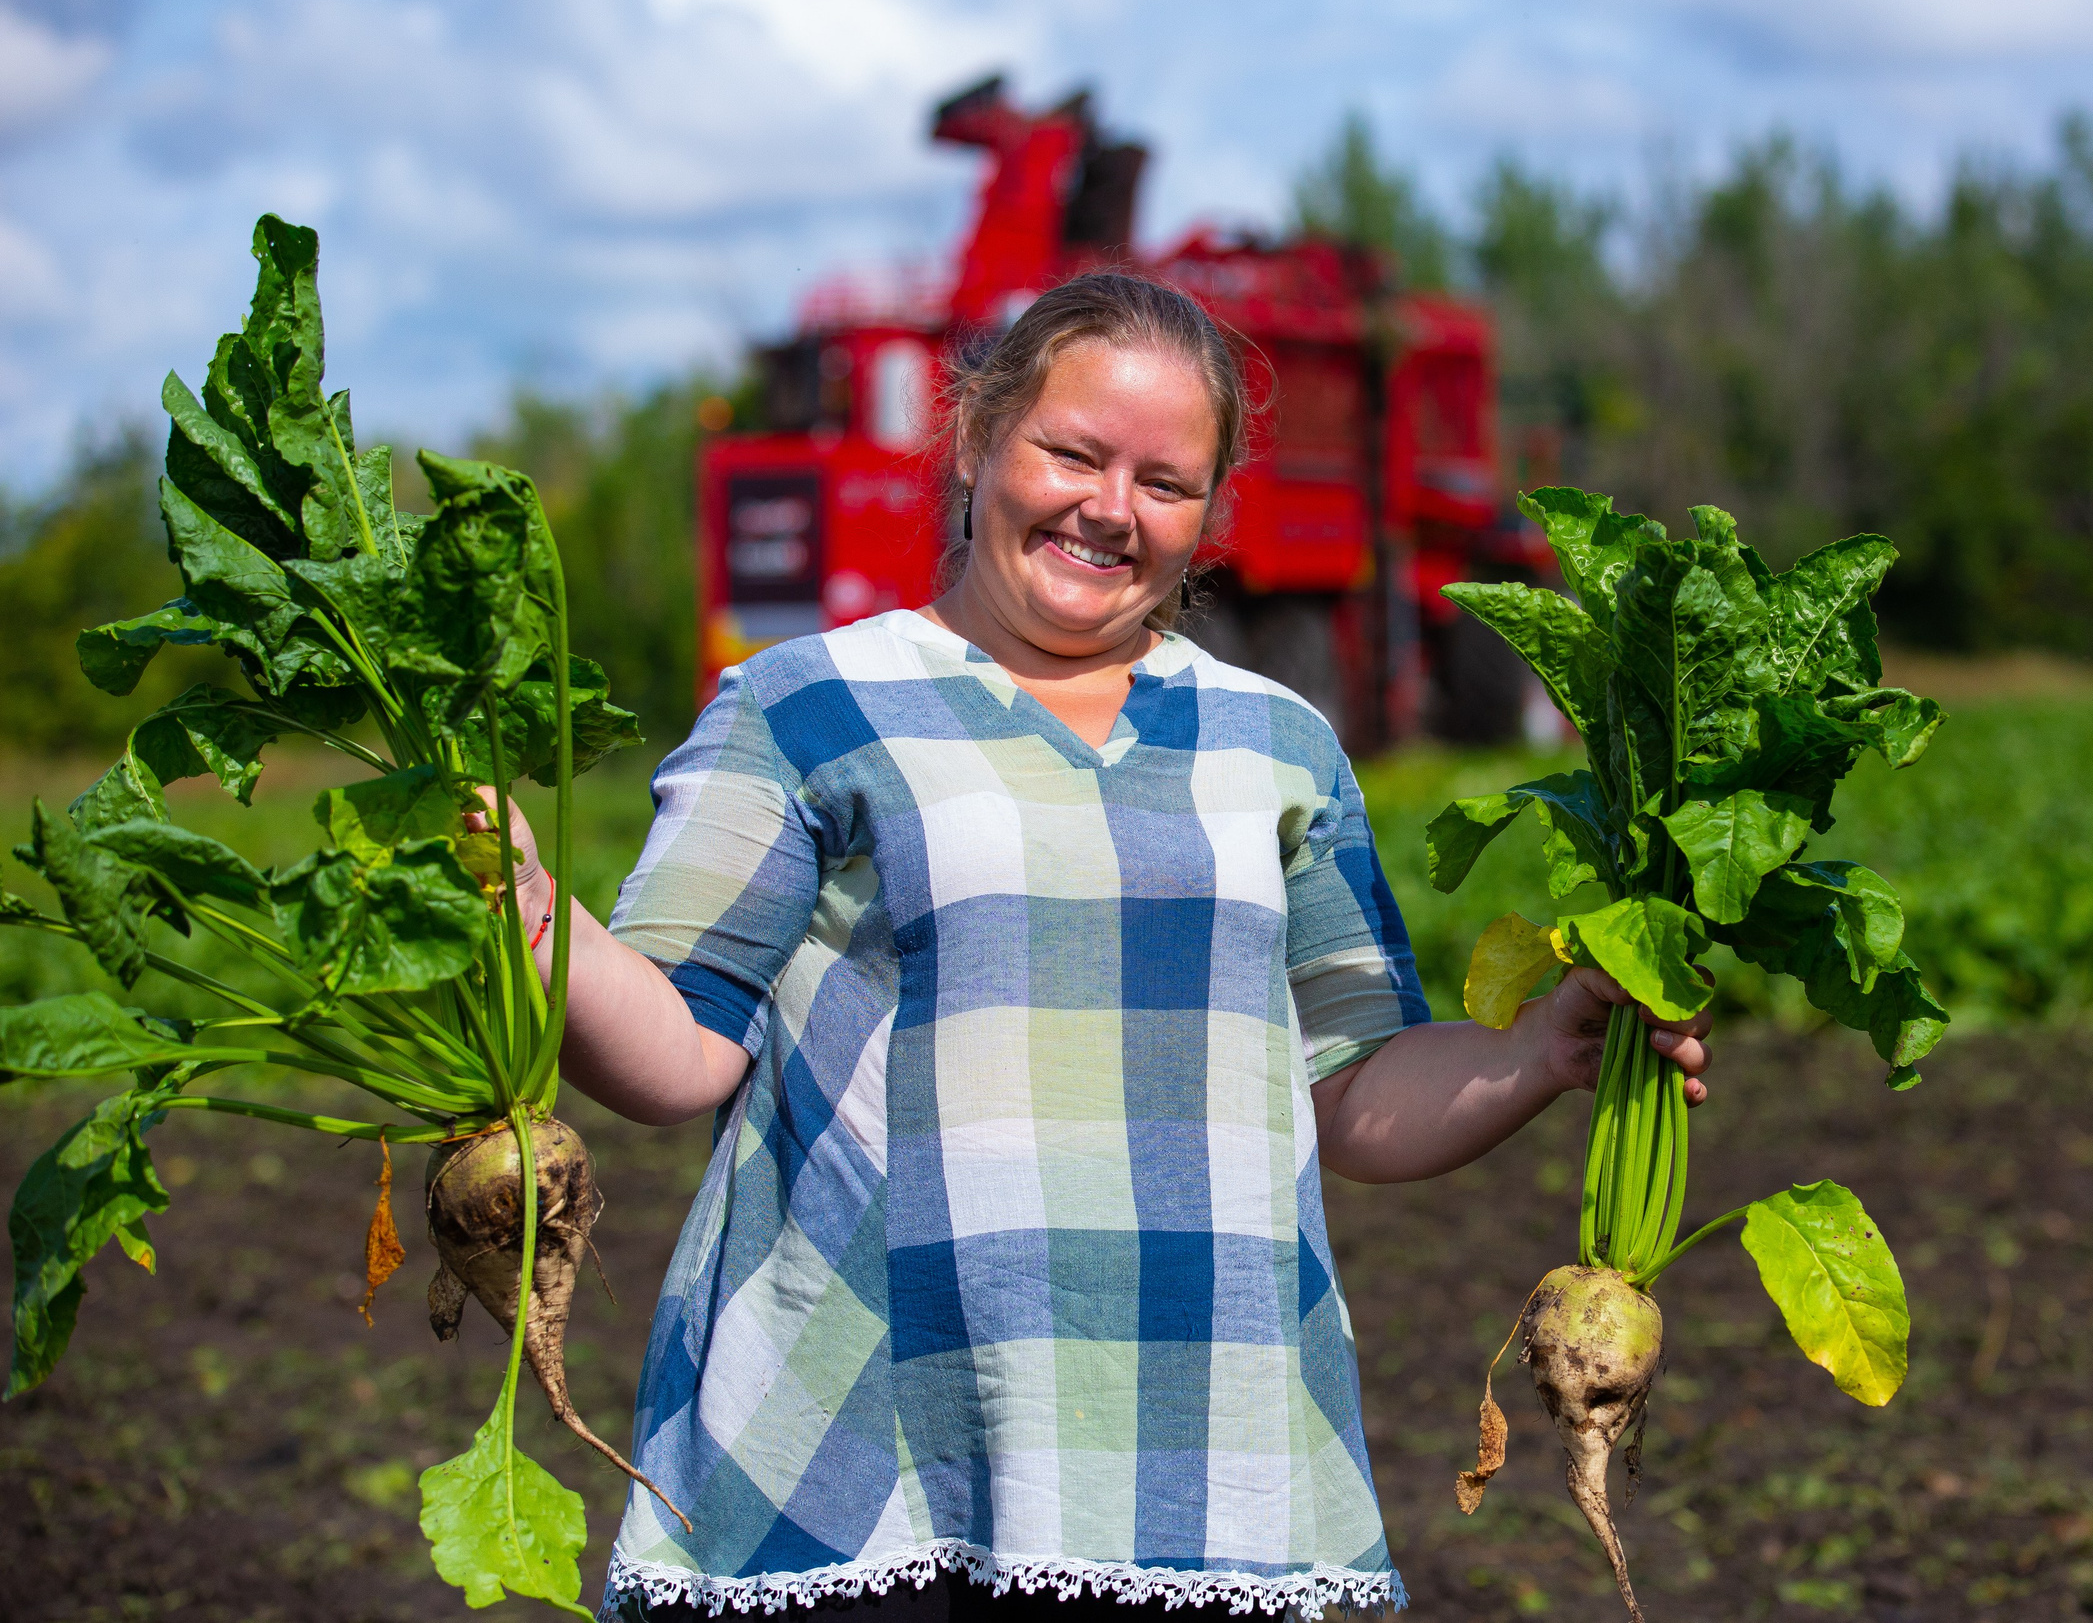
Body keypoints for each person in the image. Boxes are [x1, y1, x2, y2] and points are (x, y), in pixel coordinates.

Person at [488, 272, 1710, 1620]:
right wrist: (542, 921)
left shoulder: (1278, 742)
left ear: (1211, 510)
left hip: (1211, 1445)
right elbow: (678, 1054)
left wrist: (1539, 1053)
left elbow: (1356, 1097)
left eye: (1165, 480)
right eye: (1070, 452)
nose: (1110, 507)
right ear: (976, 441)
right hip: (875, 1443)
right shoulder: (806, 705)